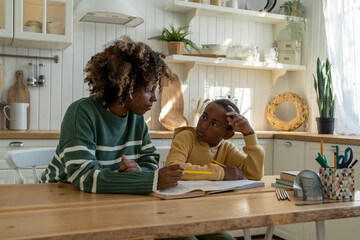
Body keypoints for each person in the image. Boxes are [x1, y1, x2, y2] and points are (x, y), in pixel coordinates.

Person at [40, 36, 184, 193]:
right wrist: (151, 180)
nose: (155, 98)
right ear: (126, 85)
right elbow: (86, 177)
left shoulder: (137, 120)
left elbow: (150, 161)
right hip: (57, 194)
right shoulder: (81, 113)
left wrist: (138, 170)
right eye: (149, 89)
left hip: (103, 196)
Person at [165, 99, 264, 181]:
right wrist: (221, 173)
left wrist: (249, 133)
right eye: (204, 117)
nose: (203, 125)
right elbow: (173, 168)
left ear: (227, 135)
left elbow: (254, 175)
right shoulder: (186, 137)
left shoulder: (226, 149)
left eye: (214, 124)